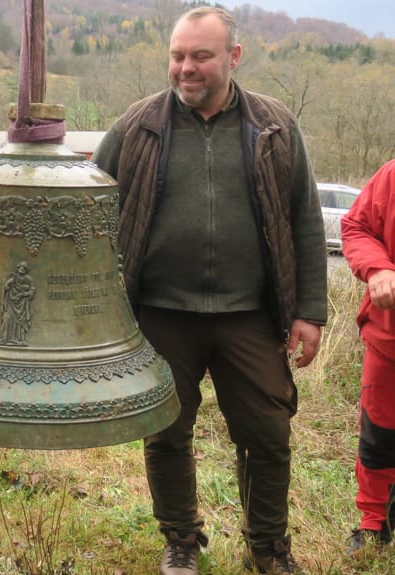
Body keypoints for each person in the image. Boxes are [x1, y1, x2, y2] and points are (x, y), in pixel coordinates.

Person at [91, 7, 328, 575]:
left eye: (201, 56)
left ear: (233, 58)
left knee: (268, 432)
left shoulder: (274, 126)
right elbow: (90, 210)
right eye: (178, 56)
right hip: (160, 315)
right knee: (167, 431)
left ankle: (267, 547)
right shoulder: (137, 125)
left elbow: (305, 220)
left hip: (250, 315)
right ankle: (181, 541)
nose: (186, 68)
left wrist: (310, 312)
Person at [341, 159, 395, 552]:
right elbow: (356, 227)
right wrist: (377, 270)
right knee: (379, 433)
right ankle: (375, 523)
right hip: (390, 337)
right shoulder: (393, 175)